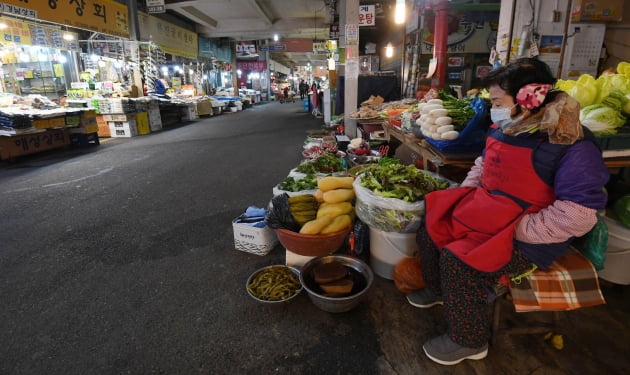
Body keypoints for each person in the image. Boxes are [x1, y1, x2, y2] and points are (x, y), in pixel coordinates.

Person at [409, 57, 609, 366]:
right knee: (433, 225)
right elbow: (484, 164)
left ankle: (469, 340)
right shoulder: (510, 126)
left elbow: (578, 216)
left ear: (530, 97)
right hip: (491, 213)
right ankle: (439, 291)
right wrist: (467, 194)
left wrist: (514, 228)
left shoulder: (573, 144)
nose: (494, 109)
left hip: (531, 235)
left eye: (498, 101)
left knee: (459, 261)